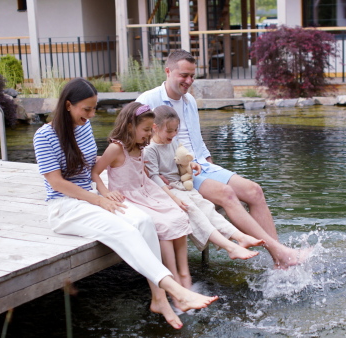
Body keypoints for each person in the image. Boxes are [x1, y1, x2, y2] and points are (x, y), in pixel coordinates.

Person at [33, 78, 217, 330]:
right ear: (67, 105)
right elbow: (56, 182)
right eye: (86, 109)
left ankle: (158, 298)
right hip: (65, 206)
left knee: (144, 221)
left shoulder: (84, 127)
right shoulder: (44, 136)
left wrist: (104, 189)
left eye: (94, 108)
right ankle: (174, 290)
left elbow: (93, 165)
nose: (91, 114)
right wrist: (99, 198)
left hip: (90, 199)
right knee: (125, 230)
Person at [137, 50, 311, 269]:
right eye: (184, 75)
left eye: (192, 75)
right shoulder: (147, 100)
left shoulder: (189, 100)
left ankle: (279, 261)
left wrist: (210, 164)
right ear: (168, 71)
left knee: (254, 191)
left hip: (201, 165)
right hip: (177, 173)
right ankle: (281, 253)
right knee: (227, 194)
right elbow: (133, 141)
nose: (189, 81)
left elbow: (196, 140)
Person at [91, 102, 195, 297]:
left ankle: (184, 272)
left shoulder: (140, 146)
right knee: (162, 225)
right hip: (128, 196)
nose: (149, 134)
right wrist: (104, 193)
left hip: (145, 191)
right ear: (130, 126)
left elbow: (141, 172)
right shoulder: (116, 148)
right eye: (146, 129)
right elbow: (96, 172)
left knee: (178, 215)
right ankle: (171, 277)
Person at [144, 105, 265, 260]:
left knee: (207, 208)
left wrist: (191, 164)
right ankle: (231, 247)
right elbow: (154, 177)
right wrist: (174, 198)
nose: (173, 134)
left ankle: (240, 236)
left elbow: (180, 161)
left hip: (182, 187)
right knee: (194, 212)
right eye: (169, 131)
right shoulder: (150, 149)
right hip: (168, 191)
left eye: (176, 130)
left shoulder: (172, 143)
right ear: (155, 127)